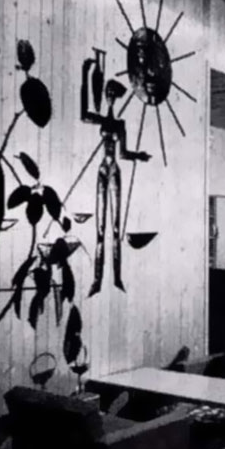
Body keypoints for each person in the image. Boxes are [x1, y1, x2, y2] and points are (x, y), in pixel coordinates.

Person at [80, 69, 149, 295]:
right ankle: (97, 280)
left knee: (116, 228)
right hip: (102, 170)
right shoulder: (102, 120)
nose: (109, 98)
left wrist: (139, 156)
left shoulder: (120, 124)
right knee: (100, 229)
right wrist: (84, 75)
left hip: (114, 171)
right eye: (107, 94)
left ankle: (117, 278)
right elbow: (83, 115)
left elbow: (123, 153)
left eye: (112, 95)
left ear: (116, 98)